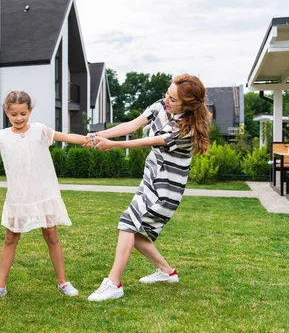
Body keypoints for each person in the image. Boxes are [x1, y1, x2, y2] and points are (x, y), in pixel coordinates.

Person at [0, 91, 88, 300]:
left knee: (51, 235)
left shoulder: (40, 131)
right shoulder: (1, 137)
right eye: (14, 114)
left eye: (23, 113)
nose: (19, 118)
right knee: (11, 237)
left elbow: (67, 137)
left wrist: (90, 139)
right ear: (7, 113)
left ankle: (63, 282)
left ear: (30, 111)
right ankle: (0, 286)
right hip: (18, 197)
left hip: (43, 193)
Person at [86, 74, 211, 302]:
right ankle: (167, 272)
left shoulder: (185, 130)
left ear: (187, 106)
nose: (166, 100)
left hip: (165, 190)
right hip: (150, 181)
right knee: (136, 232)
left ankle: (114, 283)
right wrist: (98, 134)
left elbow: (145, 142)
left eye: (172, 99)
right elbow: (132, 125)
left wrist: (112, 145)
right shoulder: (159, 107)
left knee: (127, 224)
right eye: (167, 93)